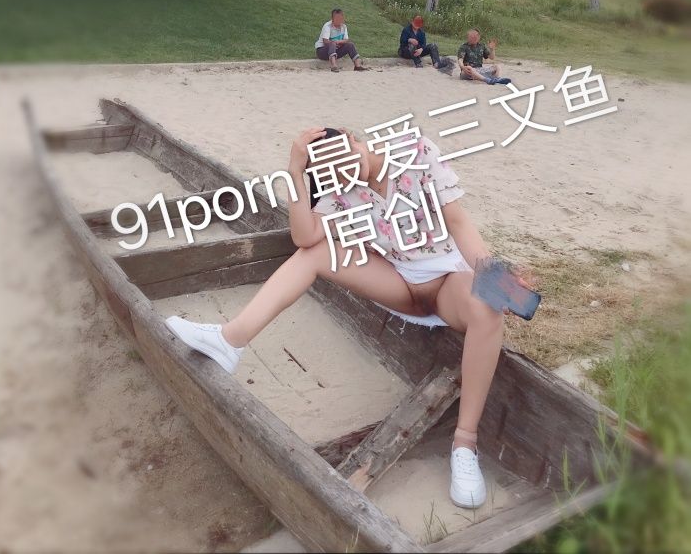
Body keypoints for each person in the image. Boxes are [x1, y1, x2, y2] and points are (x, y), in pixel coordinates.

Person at [166, 126, 514, 510]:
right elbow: (305, 237)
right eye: (326, 171)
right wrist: (295, 171)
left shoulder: (414, 152)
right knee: (314, 254)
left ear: (352, 139)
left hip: (450, 281)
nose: (340, 173)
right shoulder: (340, 191)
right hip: (400, 285)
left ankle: (464, 444)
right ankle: (230, 340)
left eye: (341, 159)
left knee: (487, 308)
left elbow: (459, 223)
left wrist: (497, 279)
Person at [314, 9, 370, 73]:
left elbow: (346, 40)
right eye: (336, 18)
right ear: (332, 18)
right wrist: (334, 43)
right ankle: (334, 66)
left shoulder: (344, 27)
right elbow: (325, 41)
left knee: (350, 45)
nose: (338, 20)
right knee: (332, 43)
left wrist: (339, 42)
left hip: (336, 50)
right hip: (322, 51)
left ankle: (357, 65)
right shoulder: (327, 26)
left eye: (340, 18)